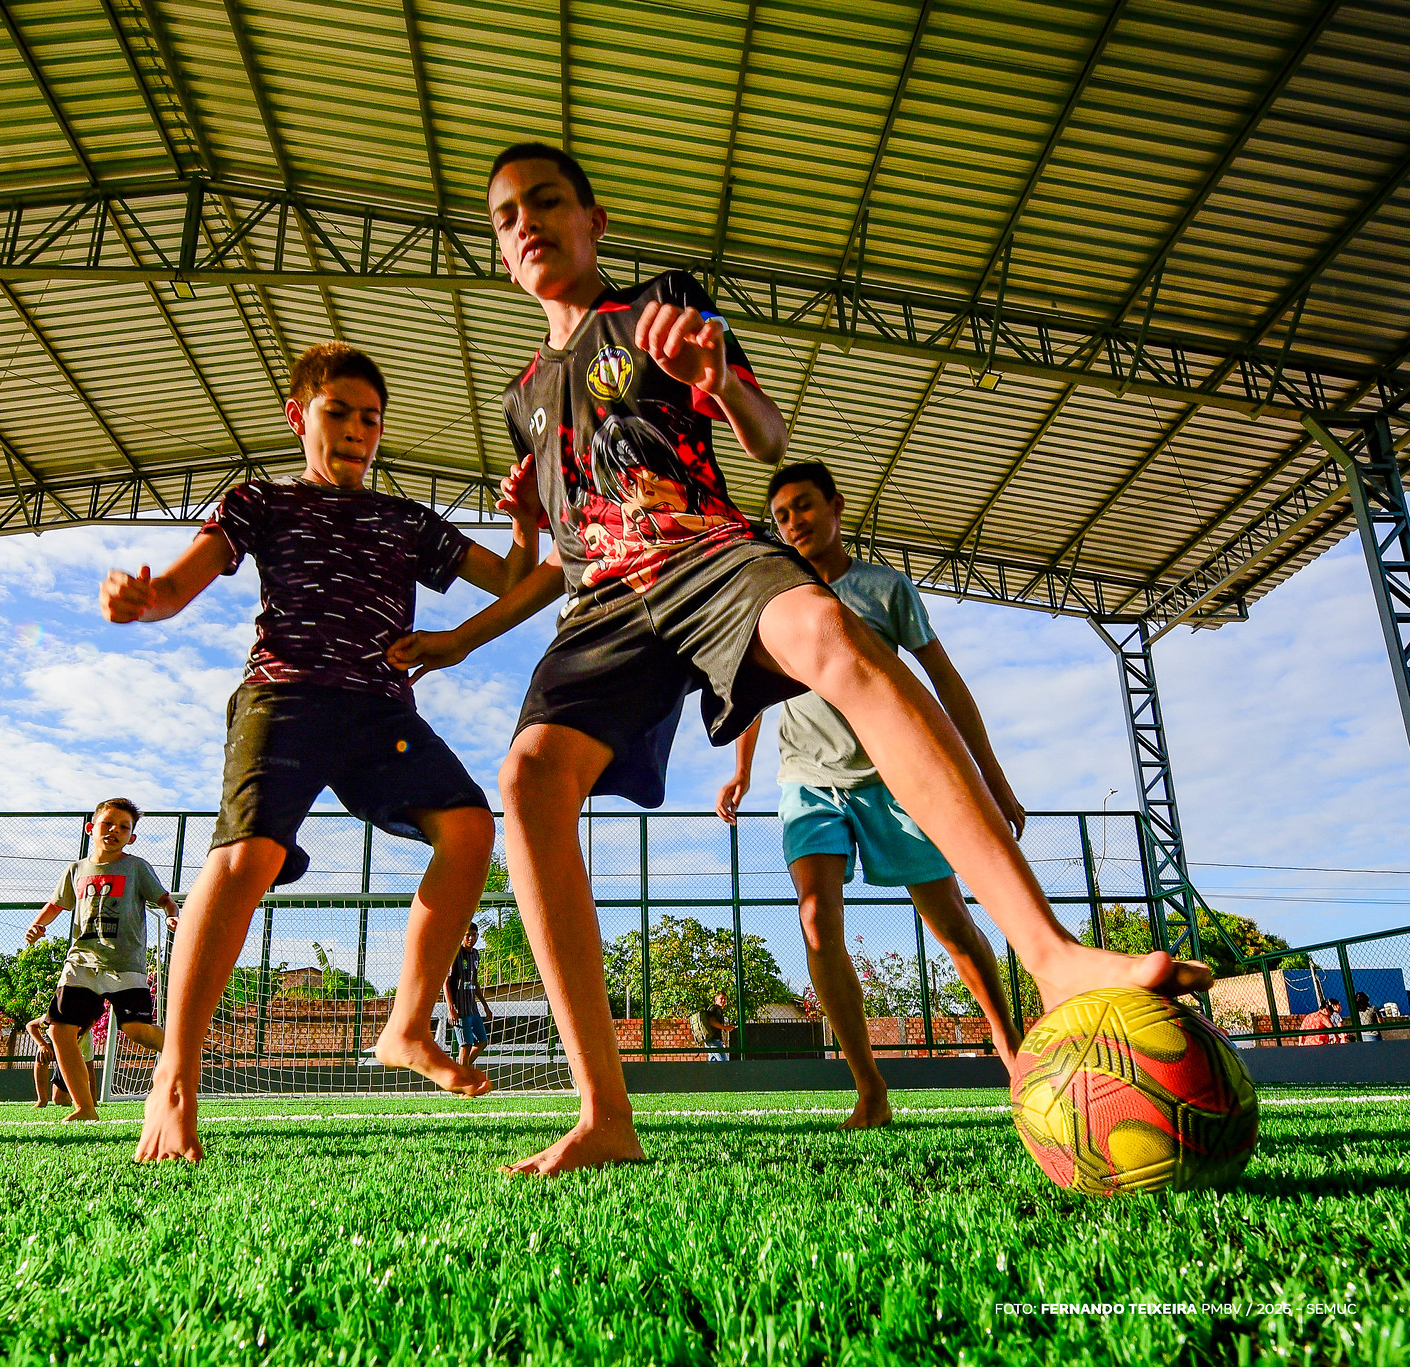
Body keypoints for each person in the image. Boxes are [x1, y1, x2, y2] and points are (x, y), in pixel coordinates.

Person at [388, 142, 1211, 1174]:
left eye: (545, 201)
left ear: (592, 218)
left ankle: (1049, 957)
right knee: (524, 778)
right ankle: (603, 1111)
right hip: (599, 605)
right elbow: (552, 557)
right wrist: (480, 602)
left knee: (832, 635)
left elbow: (769, 437)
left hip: (704, 551)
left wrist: (714, 380)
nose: (525, 223)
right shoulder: (519, 398)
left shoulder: (659, 305)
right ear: (500, 253)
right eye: (506, 214)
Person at [110, 342, 542, 1162]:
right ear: (298, 415)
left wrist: (523, 520)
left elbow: (517, 580)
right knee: (248, 859)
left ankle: (407, 1023)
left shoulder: (406, 519)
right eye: (337, 411)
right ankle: (174, 1077)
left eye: (369, 418)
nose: (354, 430)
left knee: (471, 828)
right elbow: (177, 585)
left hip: (381, 707)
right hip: (285, 697)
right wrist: (144, 600)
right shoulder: (261, 502)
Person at [717, 460, 1025, 1129]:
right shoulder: (774, 600)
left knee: (949, 919)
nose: (793, 522)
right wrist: (741, 772)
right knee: (816, 919)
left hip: (893, 779)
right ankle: (869, 1087)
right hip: (806, 781)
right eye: (781, 515)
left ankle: (1015, 1056)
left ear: (836, 506)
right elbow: (752, 698)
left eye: (803, 506)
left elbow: (946, 684)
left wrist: (992, 779)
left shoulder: (885, 590)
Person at [25, 798, 179, 1121]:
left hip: (125, 964)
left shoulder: (136, 868)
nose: (115, 831)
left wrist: (170, 915)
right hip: (81, 962)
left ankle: (182, 1050)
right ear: (91, 828)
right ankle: (85, 1107)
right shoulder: (75, 871)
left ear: (132, 838)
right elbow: (56, 905)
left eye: (124, 827)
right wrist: (39, 924)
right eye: (108, 823)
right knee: (60, 1030)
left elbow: (165, 899)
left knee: (135, 1028)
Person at [447, 923, 495, 1069]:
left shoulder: (476, 954)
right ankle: (462, 1079)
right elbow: (446, 982)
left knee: (482, 1041)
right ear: (462, 936)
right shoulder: (455, 954)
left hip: (472, 1008)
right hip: (460, 1009)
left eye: (474, 935)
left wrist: (485, 1006)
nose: (471, 938)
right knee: (466, 1045)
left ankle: (463, 1069)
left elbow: (474, 981)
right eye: (468, 935)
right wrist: (451, 1008)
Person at [690, 990, 731, 1063]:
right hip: (714, 1041)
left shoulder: (718, 1010)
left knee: (713, 1063)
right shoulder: (715, 1009)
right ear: (716, 999)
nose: (723, 1001)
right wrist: (725, 1028)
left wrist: (722, 1040)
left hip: (710, 1041)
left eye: (725, 999)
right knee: (724, 1062)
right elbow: (712, 1022)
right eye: (721, 998)